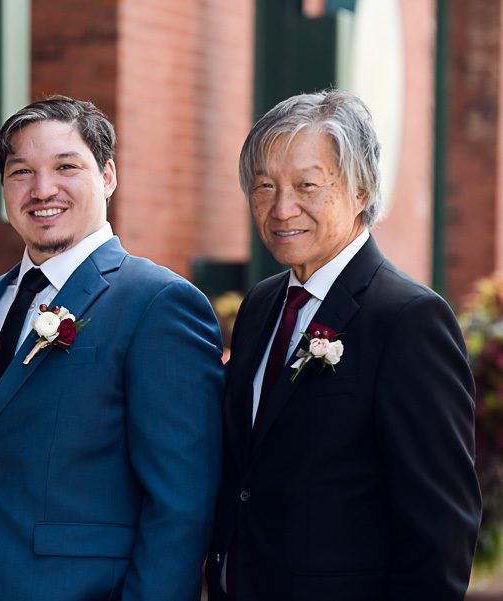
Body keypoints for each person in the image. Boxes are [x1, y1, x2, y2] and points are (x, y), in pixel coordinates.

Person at [0, 95, 225, 601]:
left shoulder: (158, 303)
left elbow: (181, 506)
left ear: (108, 175)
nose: (42, 189)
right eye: (21, 171)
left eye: (66, 166)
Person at [206, 89, 482, 600]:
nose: (281, 208)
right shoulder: (261, 306)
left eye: (307, 185)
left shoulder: (408, 320)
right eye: (264, 186)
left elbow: (441, 531)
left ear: (361, 191)